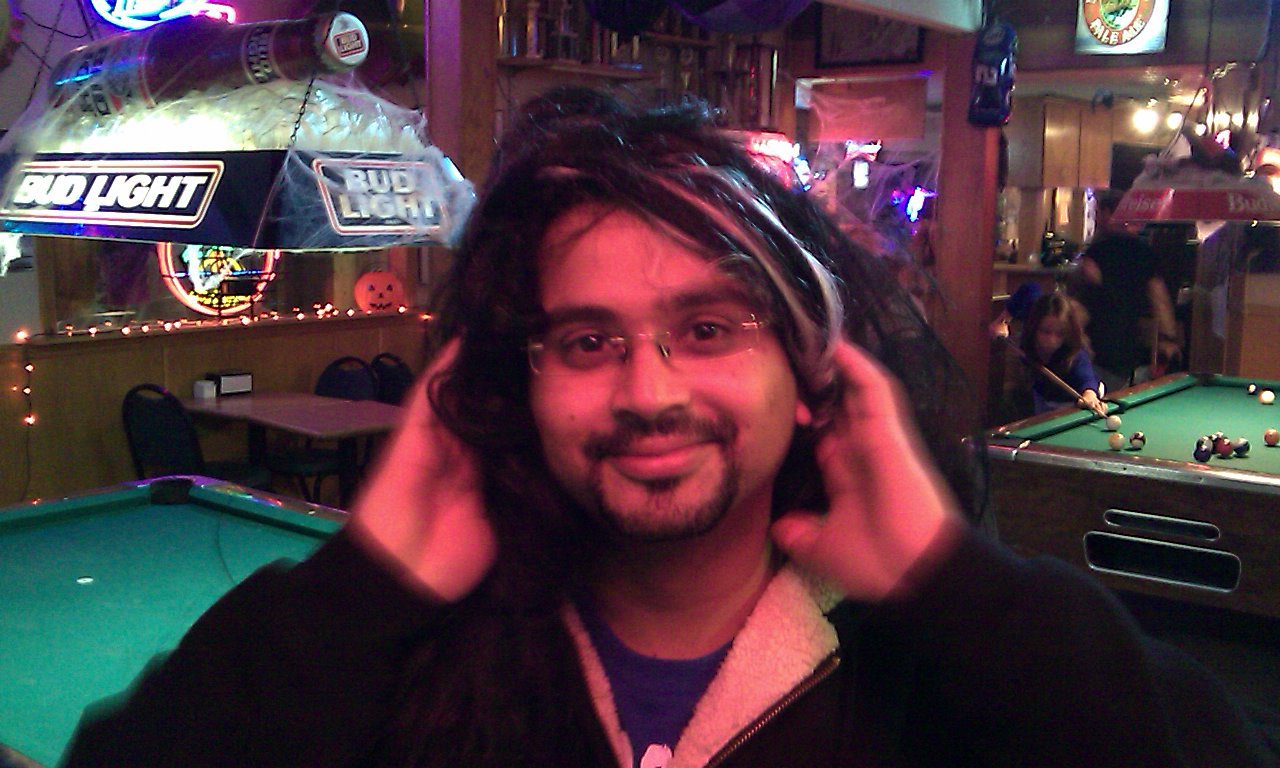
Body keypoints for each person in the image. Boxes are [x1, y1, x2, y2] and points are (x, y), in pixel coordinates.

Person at [62, 88, 1276, 767]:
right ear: (518, 382)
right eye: (587, 341)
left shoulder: (949, 675)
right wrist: (364, 587)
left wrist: (952, 582)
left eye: (707, 328)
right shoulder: (412, 666)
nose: (647, 393)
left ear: (809, 367)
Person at [1071, 188, 1181, 394]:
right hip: (1127, 339)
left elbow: (1081, 295)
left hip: (1097, 340)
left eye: (1097, 212)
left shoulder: (1097, 251)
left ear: (1107, 213)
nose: (1096, 218)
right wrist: (1169, 337)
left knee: (1094, 392)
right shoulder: (1143, 251)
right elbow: (1158, 296)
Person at [1018, 291, 1106, 416]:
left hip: (1073, 401)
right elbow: (1029, 289)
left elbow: (1087, 379)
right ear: (1033, 327)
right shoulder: (1028, 339)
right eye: (1046, 331)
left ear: (1068, 333)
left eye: (1059, 334)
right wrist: (1002, 320)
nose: (1051, 340)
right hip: (1043, 396)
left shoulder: (1075, 355)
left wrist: (1090, 394)